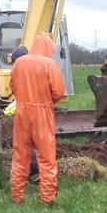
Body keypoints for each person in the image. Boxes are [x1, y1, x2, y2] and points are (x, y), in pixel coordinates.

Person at [9, 32, 65, 204]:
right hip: (42, 114)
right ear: (47, 48)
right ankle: (47, 198)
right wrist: (46, 101)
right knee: (46, 158)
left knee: (20, 156)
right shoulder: (49, 64)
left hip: (22, 113)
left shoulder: (19, 62)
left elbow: (12, 86)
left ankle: (17, 196)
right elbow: (58, 92)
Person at [6, 45, 39, 184]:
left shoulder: (20, 75)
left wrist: (5, 112)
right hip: (42, 114)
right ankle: (39, 172)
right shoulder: (40, 70)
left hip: (28, 114)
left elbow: (20, 99)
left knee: (23, 143)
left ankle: (35, 171)